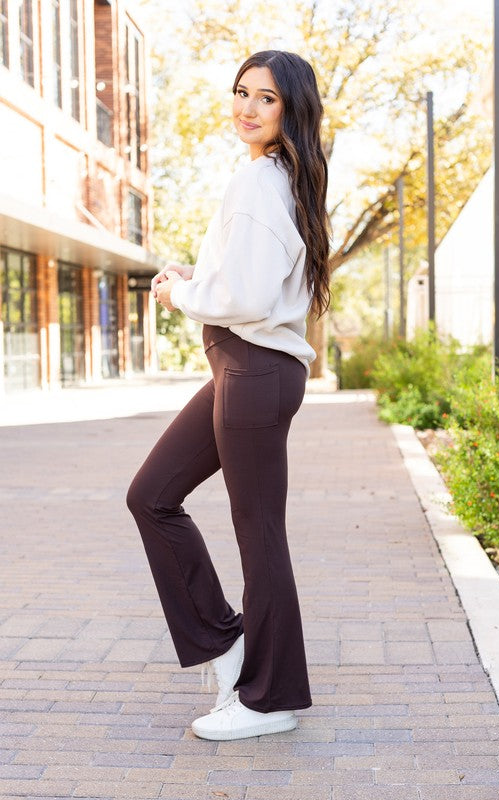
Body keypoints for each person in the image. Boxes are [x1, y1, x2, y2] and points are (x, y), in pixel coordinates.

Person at [126, 49, 330, 741]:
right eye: (241, 92)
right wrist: (200, 275)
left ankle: (272, 698)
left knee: (258, 534)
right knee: (150, 495)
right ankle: (225, 644)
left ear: (290, 108)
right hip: (245, 368)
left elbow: (242, 297)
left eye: (264, 98)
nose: (246, 107)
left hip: (254, 370)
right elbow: (249, 280)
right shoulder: (282, 178)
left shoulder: (260, 182)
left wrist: (179, 290)